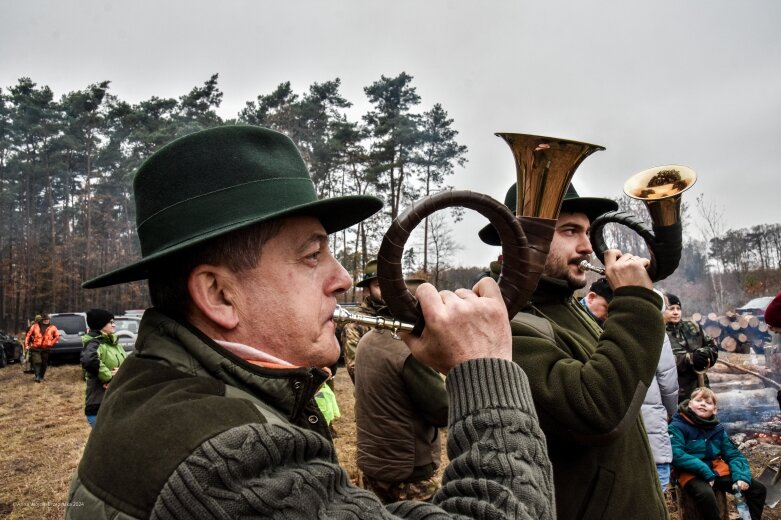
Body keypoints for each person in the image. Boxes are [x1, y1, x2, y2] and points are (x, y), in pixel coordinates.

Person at [65, 125, 555, 519]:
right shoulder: (228, 456)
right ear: (219, 294)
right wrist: (485, 369)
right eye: (310, 256)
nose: (342, 279)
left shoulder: (162, 385)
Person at [479, 181, 669, 519]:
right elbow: (597, 410)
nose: (586, 247)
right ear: (520, 240)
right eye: (570, 231)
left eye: (586, 232)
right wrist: (636, 302)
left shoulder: (566, 306)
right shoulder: (504, 324)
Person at [354, 277, 448, 503]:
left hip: (373, 463)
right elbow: (443, 411)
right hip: (408, 470)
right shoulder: (408, 351)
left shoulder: (367, 339)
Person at [669, 387, 767, 520]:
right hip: (689, 471)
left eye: (708, 402)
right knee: (706, 495)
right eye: (698, 400)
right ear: (690, 404)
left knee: (758, 489)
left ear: (714, 409)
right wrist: (704, 470)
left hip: (714, 469)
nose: (703, 403)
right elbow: (676, 454)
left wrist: (741, 476)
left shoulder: (717, 429)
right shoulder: (677, 426)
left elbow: (733, 454)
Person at [641, 291, 679, 493]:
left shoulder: (609, 328)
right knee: (659, 474)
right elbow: (667, 379)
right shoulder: (657, 333)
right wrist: (671, 410)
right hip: (652, 409)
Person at [664, 293, 719, 403]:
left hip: (701, 388)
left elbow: (712, 347)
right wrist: (691, 359)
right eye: (671, 309)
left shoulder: (693, 326)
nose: (676, 312)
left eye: (678, 308)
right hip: (676, 393)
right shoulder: (659, 333)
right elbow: (663, 361)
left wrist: (705, 354)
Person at [80, 309, 127, 427]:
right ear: (100, 324)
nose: (114, 324)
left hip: (117, 402)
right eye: (110, 322)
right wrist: (109, 378)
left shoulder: (114, 344)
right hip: (99, 406)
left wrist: (122, 371)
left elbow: (126, 364)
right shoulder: (94, 344)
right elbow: (89, 360)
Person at [341, 258, 385, 383]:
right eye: (379, 285)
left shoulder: (400, 317)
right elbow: (356, 371)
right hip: (374, 399)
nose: (386, 289)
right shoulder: (356, 324)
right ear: (367, 290)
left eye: (389, 283)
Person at [24, 313, 60, 382]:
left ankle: (41, 376)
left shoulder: (53, 327)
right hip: (35, 347)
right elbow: (28, 335)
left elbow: (57, 336)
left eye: (47, 319)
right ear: (42, 320)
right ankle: (37, 376)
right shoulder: (34, 326)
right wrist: (26, 345)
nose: (46, 321)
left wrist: (51, 343)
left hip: (46, 348)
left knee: (44, 363)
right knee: (37, 361)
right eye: (45, 319)